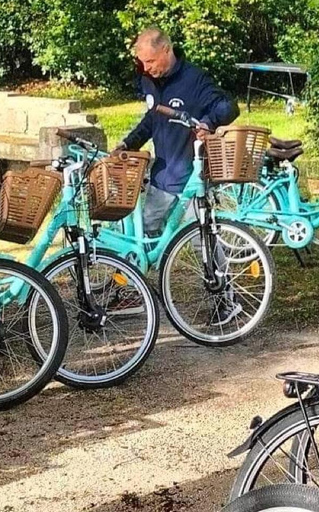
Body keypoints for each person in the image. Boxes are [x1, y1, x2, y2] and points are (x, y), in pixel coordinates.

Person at [115, 27, 242, 326]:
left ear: (166, 51)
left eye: (149, 61)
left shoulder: (195, 80)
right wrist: (128, 143)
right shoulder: (148, 78)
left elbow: (229, 106)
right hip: (163, 172)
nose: (144, 69)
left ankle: (227, 301)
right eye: (141, 63)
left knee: (202, 239)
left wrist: (209, 121)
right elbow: (151, 119)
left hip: (190, 175)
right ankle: (131, 292)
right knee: (141, 232)